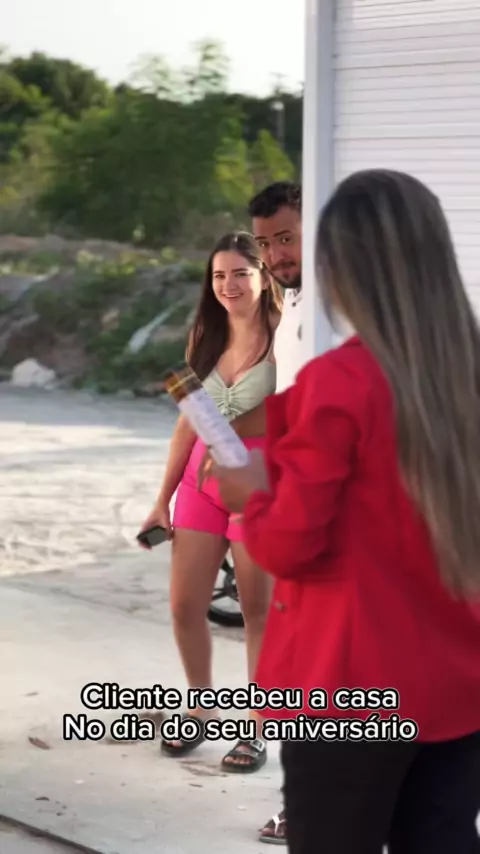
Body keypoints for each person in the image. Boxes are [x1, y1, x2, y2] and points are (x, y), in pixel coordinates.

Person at [213, 169, 480, 854]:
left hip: (349, 687)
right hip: (459, 682)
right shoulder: (465, 379)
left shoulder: (342, 384)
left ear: (345, 268)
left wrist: (250, 494)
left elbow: (288, 544)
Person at [139, 231, 283, 773]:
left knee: (257, 612)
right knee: (184, 606)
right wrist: (163, 498)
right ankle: (199, 708)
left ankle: (259, 729)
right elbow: (189, 420)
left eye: (240, 273)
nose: (228, 285)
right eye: (219, 275)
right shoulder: (205, 333)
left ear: (263, 275)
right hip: (201, 484)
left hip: (259, 486)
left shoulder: (286, 335)